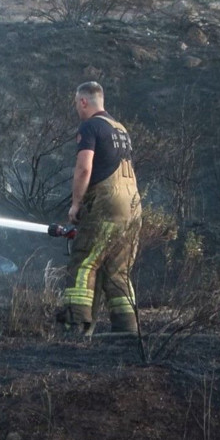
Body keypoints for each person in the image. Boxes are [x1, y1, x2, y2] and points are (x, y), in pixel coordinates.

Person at [58, 81, 142, 335]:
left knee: (84, 262)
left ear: (83, 101)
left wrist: (76, 204)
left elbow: (85, 168)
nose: (76, 109)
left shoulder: (90, 126)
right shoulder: (121, 129)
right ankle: (127, 331)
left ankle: (75, 327)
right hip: (133, 208)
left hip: (107, 207)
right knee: (118, 271)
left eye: (76, 104)